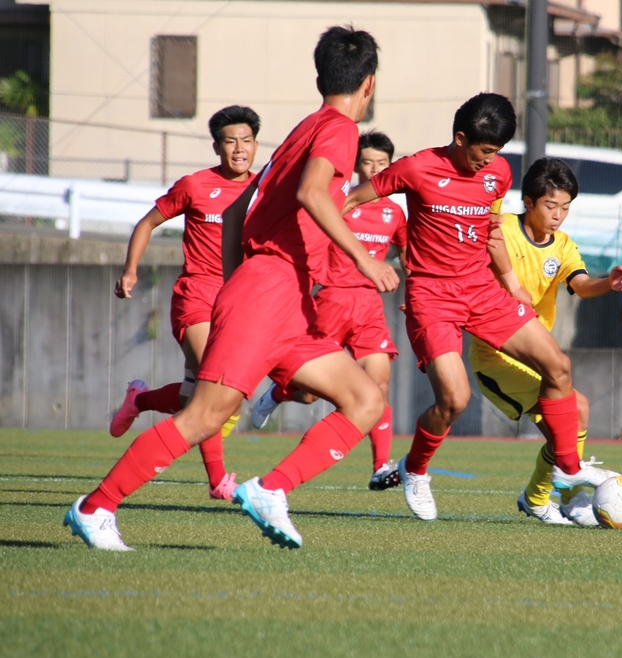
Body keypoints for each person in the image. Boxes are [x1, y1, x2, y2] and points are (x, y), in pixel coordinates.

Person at [64, 25, 398, 551]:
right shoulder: (339, 129)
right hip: (269, 291)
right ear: (370, 85)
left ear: (320, 77)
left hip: (283, 298)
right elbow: (313, 193)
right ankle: (95, 507)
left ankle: (271, 489)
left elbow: (244, 207)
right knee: (204, 416)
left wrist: (235, 279)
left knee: (364, 400)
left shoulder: (305, 127)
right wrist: (362, 259)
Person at [343, 92, 618, 522]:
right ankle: (414, 470)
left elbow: (489, 229)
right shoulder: (416, 167)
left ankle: (567, 469)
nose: (490, 161)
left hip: (482, 292)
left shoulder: (498, 172)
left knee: (558, 367)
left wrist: (511, 283)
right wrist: (347, 252)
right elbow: (347, 202)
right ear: (459, 138)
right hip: (432, 297)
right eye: (485, 151)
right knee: (453, 399)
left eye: (498, 153)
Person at [468, 157, 622, 527]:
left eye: (565, 207)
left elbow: (580, 284)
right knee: (566, 424)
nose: (558, 215)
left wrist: (608, 282)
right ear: (528, 202)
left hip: (535, 357)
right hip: (496, 359)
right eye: (550, 205)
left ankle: (550, 497)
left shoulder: (562, 246)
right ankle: (555, 497)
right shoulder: (503, 230)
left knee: (578, 411)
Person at [109, 105, 261, 501]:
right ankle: (218, 480)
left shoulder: (264, 189)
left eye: (246, 140)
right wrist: (130, 271)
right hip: (196, 296)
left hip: (239, 301)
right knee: (214, 384)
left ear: (256, 145)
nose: (239, 148)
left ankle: (139, 399)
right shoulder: (195, 186)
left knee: (192, 399)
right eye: (230, 141)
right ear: (217, 146)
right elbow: (147, 223)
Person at [251, 130, 407, 491]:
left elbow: (408, 254)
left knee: (378, 385)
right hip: (332, 300)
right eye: (367, 162)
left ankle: (381, 466)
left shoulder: (394, 212)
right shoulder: (338, 204)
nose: (373, 169)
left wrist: (413, 293)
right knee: (309, 393)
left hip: (369, 305)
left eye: (381, 164)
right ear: (356, 167)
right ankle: (276, 394)